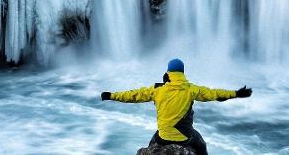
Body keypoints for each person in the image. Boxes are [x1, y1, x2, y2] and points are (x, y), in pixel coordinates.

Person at [101, 59, 252, 155]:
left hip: (163, 138)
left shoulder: (157, 90)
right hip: (185, 138)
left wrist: (111, 96)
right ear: (182, 73)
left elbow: (133, 96)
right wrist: (236, 93)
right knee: (201, 143)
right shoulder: (191, 89)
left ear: (168, 73)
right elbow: (215, 94)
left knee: (153, 139)